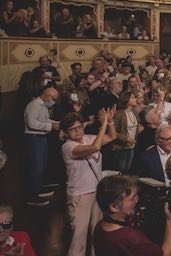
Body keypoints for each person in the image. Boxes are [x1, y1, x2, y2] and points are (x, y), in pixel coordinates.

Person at [61, 109, 116, 256]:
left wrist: (110, 122)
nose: (77, 131)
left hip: (95, 191)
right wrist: (103, 124)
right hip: (80, 194)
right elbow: (95, 147)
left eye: (79, 127)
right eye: (72, 129)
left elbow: (112, 136)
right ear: (66, 133)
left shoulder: (88, 137)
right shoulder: (67, 147)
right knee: (78, 237)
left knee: (95, 233)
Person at [94, 175, 171, 256]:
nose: (136, 201)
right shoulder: (132, 239)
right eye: (132, 198)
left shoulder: (99, 227)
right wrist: (169, 220)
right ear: (114, 207)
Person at [24, 87, 60, 206]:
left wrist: (55, 123)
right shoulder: (34, 105)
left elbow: (45, 120)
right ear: (48, 96)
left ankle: (37, 190)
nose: (53, 101)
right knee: (37, 167)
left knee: (42, 165)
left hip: (41, 138)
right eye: (53, 99)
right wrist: (50, 127)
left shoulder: (43, 106)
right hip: (34, 138)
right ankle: (32, 196)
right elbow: (32, 123)